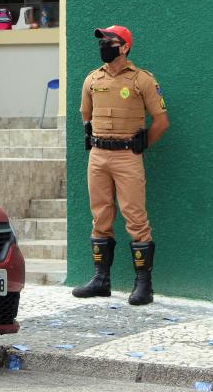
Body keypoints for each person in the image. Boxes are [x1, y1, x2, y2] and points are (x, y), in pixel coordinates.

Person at [72, 25, 169, 306]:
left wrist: (141, 145)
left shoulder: (142, 80)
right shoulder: (92, 79)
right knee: (100, 216)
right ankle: (101, 280)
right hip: (98, 156)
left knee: (135, 218)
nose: (104, 45)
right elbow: (85, 117)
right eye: (102, 41)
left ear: (124, 47)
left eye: (110, 41)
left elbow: (161, 121)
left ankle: (143, 285)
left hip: (128, 156)